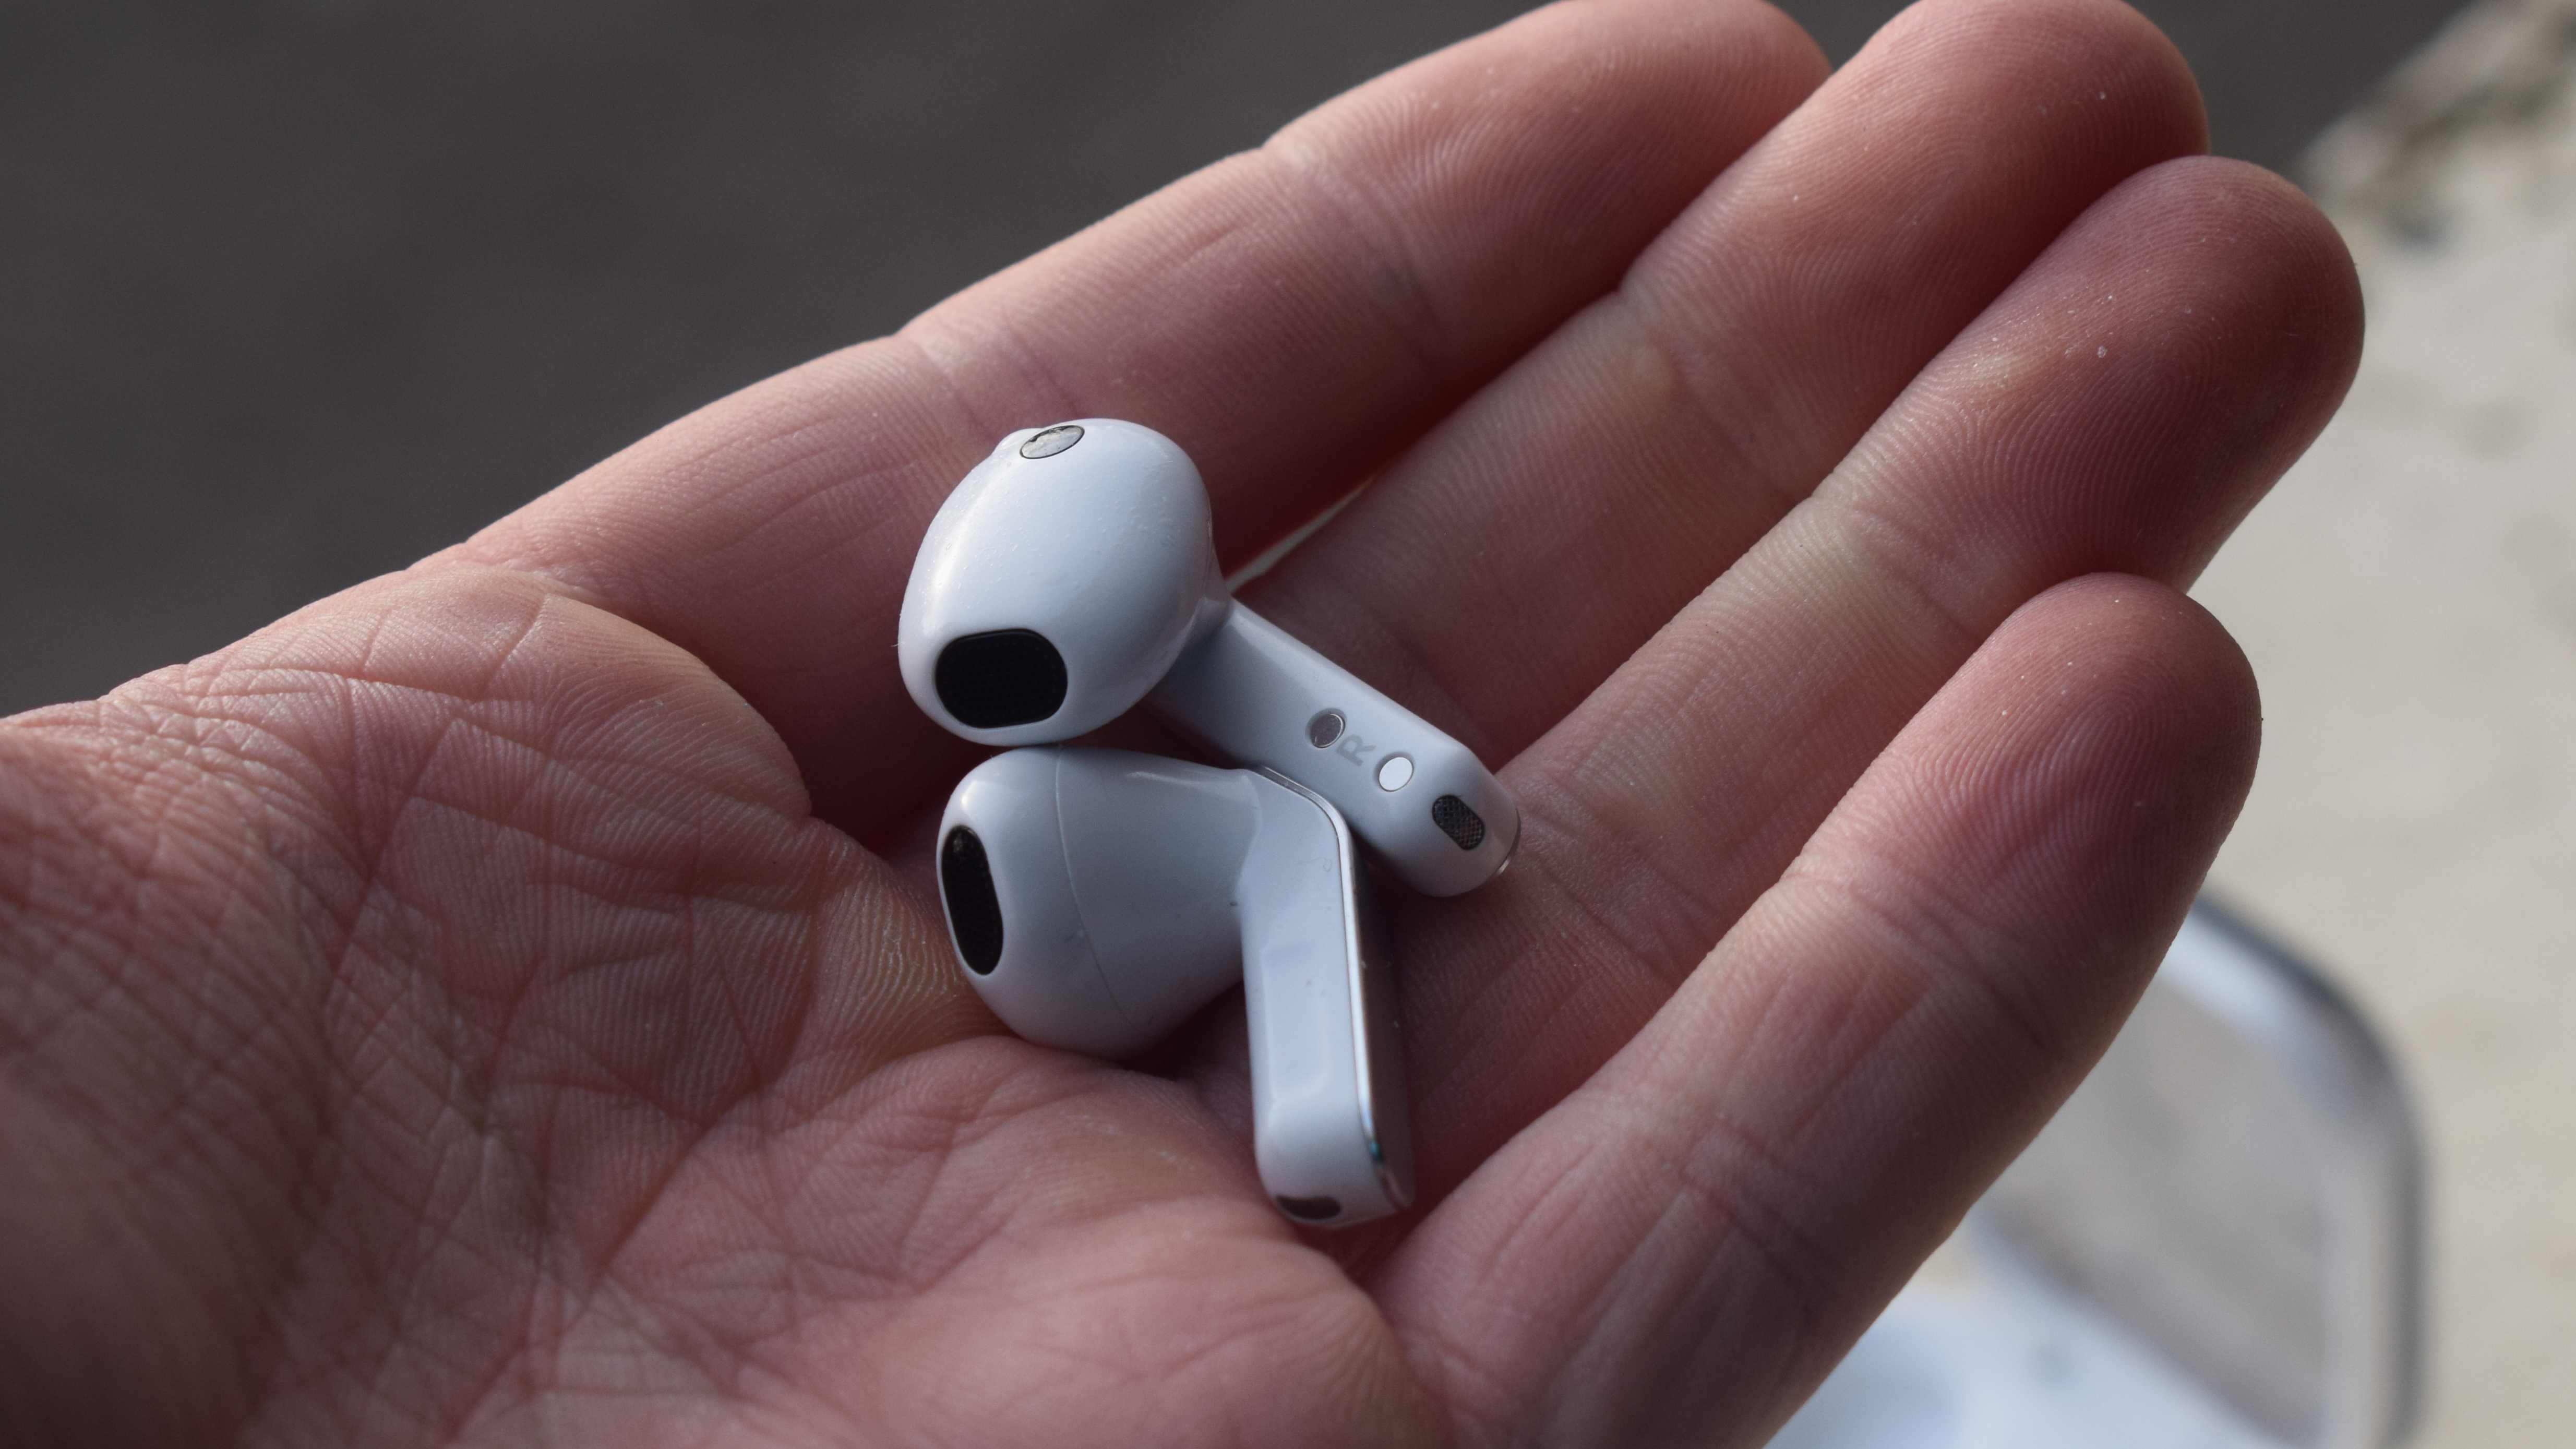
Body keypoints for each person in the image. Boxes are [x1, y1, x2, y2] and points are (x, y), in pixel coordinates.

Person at [0, 0, 2361, 1443]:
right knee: (1287, 848)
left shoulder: (1142, 723)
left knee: (1292, 840)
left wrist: (1377, 791)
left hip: (1056, 885)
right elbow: (1264, 769)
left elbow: (1246, 741)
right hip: (1065, 885)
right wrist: (1372, 807)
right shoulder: (1171, 752)